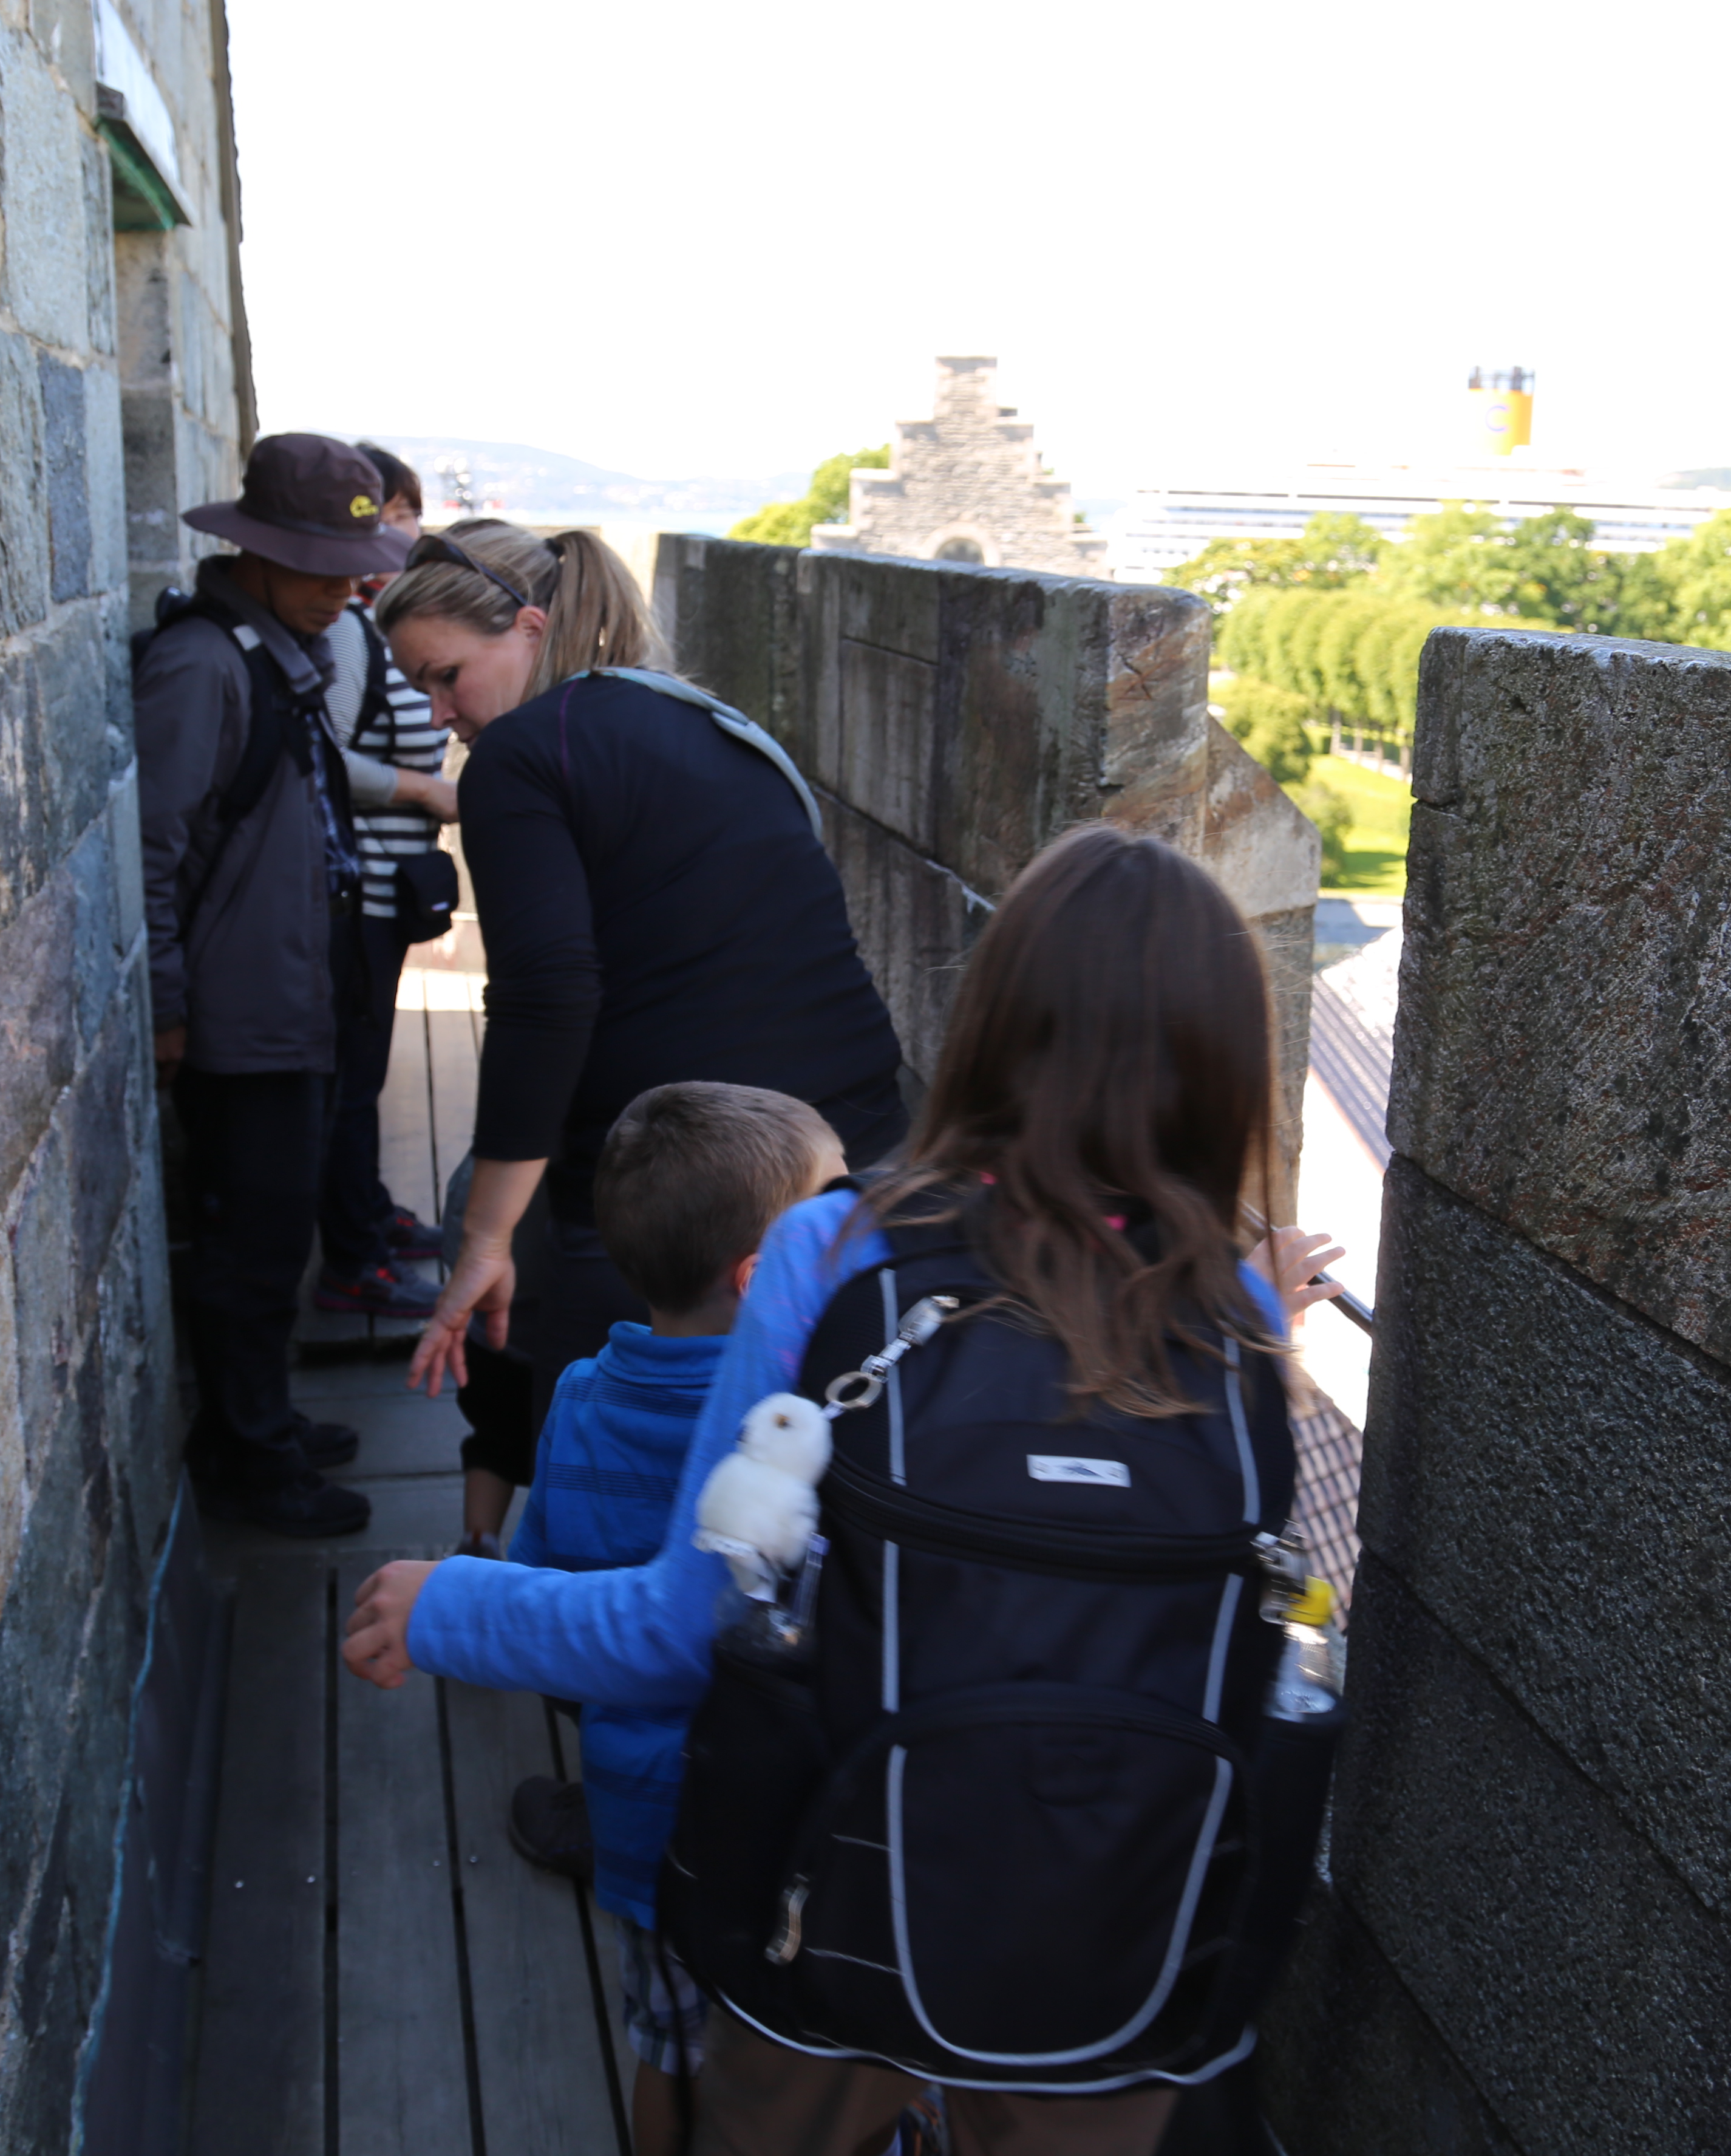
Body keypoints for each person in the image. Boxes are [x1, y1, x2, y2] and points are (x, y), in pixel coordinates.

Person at [344, 824, 1332, 2156]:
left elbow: (686, 1625)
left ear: (992, 1017)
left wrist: (451, 1604)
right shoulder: (1240, 1318)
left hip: (839, 1930)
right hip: (1120, 1974)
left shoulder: (839, 1252)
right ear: (1225, 1069)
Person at [372, 520, 907, 1555]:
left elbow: (545, 997)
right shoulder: (708, 721)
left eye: (447, 679)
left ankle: (599, 1664)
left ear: (530, 628)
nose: (442, 718)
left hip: (688, 1187)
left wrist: (487, 1237)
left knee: (636, 1474)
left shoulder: (521, 756)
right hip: (849, 1151)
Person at [493, 1081, 846, 2156]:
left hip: (642, 1826)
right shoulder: (807, 1434)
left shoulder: (580, 1402)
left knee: (668, 2047)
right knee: (807, 2061)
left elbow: (540, 1592)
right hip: (788, 1832)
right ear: (764, 1279)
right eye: (833, 1225)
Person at [136, 432, 413, 1538]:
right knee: (252, 1247)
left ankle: (262, 1422)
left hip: (289, 995)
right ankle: (252, 1458)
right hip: (240, 1013)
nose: (347, 593)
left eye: (353, 571)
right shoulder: (205, 665)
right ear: (255, 555)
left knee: (278, 1227)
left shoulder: (271, 652)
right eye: (322, 569)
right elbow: (153, 849)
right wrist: (167, 1006)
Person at [309, 443, 457, 1320]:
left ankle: (369, 1218)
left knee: (363, 1071)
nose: (405, 530)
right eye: (393, 513)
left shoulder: (367, 623)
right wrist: (425, 789)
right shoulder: (347, 631)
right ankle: (353, 1260)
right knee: (353, 1079)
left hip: (380, 894)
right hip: (357, 894)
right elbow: (327, 760)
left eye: (407, 512)